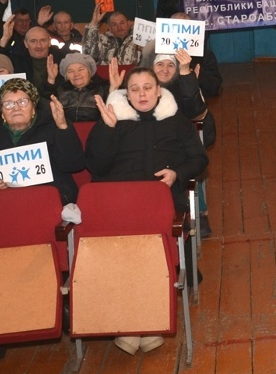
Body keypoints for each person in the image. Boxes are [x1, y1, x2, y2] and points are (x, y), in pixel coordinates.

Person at [86, 68, 209, 354]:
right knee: (124, 251)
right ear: (125, 93)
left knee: (149, 250)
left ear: (158, 90)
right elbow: (96, 166)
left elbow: (199, 158)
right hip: (119, 203)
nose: (142, 94)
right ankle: (131, 323)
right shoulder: (113, 118)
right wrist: (106, 128)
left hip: (161, 201)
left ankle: (147, 322)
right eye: (134, 89)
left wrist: (177, 173)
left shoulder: (176, 120)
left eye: (147, 87)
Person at [0, 78, 86, 206]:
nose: (16, 108)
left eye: (22, 102)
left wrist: (63, 126)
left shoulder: (54, 131)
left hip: (47, 206)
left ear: (33, 109)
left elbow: (74, 165)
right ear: (2, 113)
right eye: (8, 104)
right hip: (2, 208)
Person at [51, 52, 114, 123]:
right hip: (66, 132)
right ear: (66, 76)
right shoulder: (59, 91)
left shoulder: (102, 90)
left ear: (89, 72)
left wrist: (114, 89)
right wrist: (51, 80)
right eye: (70, 71)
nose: (76, 74)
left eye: (81, 69)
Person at [153, 49, 208, 121]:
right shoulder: (142, 87)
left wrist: (187, 76)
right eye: (160, 64)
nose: (165, 70)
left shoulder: (182, 88)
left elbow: (196, 114)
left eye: (170, 65)